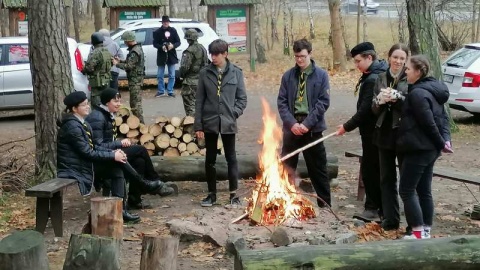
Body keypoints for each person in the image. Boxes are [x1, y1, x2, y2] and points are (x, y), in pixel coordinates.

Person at [85, 88, 177, 209]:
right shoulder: (97, 117)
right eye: (115, 101)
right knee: (141, 150)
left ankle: (135, 200)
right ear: (107, 102)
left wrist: (117, 144)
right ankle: (155, 182)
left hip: (110, 152)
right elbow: (97, 146)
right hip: (102, 157)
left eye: (119, 101)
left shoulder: (106, 114)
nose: (118, 104)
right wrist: (119, 143)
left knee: (140, 162)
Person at [57, 91, 140, 223]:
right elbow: (87, 153)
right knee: (116, 165)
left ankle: (120, 210)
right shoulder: (72, 126)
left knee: (117, 167)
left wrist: (113, 153)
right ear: (74, 108)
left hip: (83, 163)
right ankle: (141, 184)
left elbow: (93, 147)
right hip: (75, 169)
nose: (88, 107)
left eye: (87, 104)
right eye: (84, 105)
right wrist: (112, 156)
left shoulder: (80, 123)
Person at [397, 55, 452, 239]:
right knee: (423, 189)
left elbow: (429, 123)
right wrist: (444, 141)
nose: (405, 72)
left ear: (418, 72)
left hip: (419, 149)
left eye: (408, 69)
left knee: (406, 189)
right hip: (429, 150)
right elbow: (442, 118)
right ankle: (425, 230)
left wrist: (442, 143)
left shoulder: (418, 93)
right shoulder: (430, 89)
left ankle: (418, 231)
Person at [336, 42, 388, 221]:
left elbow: (365, 111)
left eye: (358, 61)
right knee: (372, 169)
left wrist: (346, 127)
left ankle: (373, 208)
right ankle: (377, 207)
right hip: (371, 133)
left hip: (374, 133)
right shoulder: (373, 74)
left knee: (371, 170)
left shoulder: (374, 78)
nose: (356, 65)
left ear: (369, 58)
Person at [277, 38, 331, 207]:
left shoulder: (321, 75)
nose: (299, 60)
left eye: (302, 56)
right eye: (296, 56)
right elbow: (282, 102)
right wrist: (292, 123)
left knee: (318, 168)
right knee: (287, 166)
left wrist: (307, 124)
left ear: (310, 54)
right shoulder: (288, 76)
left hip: (312, 129)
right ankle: (285, 200)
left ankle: (325, 204)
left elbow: (323, 102)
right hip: (291, 129)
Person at [194, 39, 247, 207]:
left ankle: (233, 195)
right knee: (210, 159)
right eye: (211, 54)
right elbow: (199, 101)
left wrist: (234, 113)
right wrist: (198, 125)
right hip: (209, 121)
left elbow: (242, 98)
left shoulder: (236, 73)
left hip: (228, 122)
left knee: (231, 158)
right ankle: (211, 195)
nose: (213, 57)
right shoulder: (205, 73)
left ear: (225, 54)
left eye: (216, 54)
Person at [371, 43, 410, 230]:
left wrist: (398, 98)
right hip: (383, 133)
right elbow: (373, 109)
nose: (398, 61)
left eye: (402, 58)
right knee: (386, 178)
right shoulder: (380, 78)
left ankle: (413, 222)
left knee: (407, 180)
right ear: (389, 58)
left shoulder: (409, 78)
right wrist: (379, 101)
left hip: (402, 134)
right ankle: (390, 219)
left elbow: (411, 106)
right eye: (395, 57)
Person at [112, 31, 145, 123]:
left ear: (129, 40)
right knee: (134, 103)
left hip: (136, 81)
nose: (125, 43)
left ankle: (141, 124)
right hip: (135, 80)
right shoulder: (136, 48)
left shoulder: (134, 51)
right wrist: (121, 60)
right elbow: (130, 62)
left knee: (135, 105)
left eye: (125, 41)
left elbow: (129, 67)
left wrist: (117, 64)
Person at [179, 29, 209, 116]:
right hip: (201, 81)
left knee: (190, 108)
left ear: (188, 39)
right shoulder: (203, 48)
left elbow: (184, 67)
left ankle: (192, 127)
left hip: (190, 82)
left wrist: (182, 75)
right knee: (200, 106)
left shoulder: (189, 51)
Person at [153, 15, 181, 98]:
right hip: (161, 55)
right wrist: (161, 47)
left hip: (171, 55)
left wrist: (173, 46)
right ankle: (161, 91)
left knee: (172, 75)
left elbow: (178, 42)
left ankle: (170, 91)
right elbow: (155, 43)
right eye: (164, 22)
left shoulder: (173, 30)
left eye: (167, 22)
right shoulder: (157, 32)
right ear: (162, 22)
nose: (166, 23)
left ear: (169, 22)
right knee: (160, 75)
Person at [82, 32, 112, 106]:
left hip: (97, 82)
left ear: (93, 42)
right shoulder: (106, 51)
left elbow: (90, 68)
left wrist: (83, 69)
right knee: (105, 101)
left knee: (96, 103)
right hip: (106, 79)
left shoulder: (95, 52)